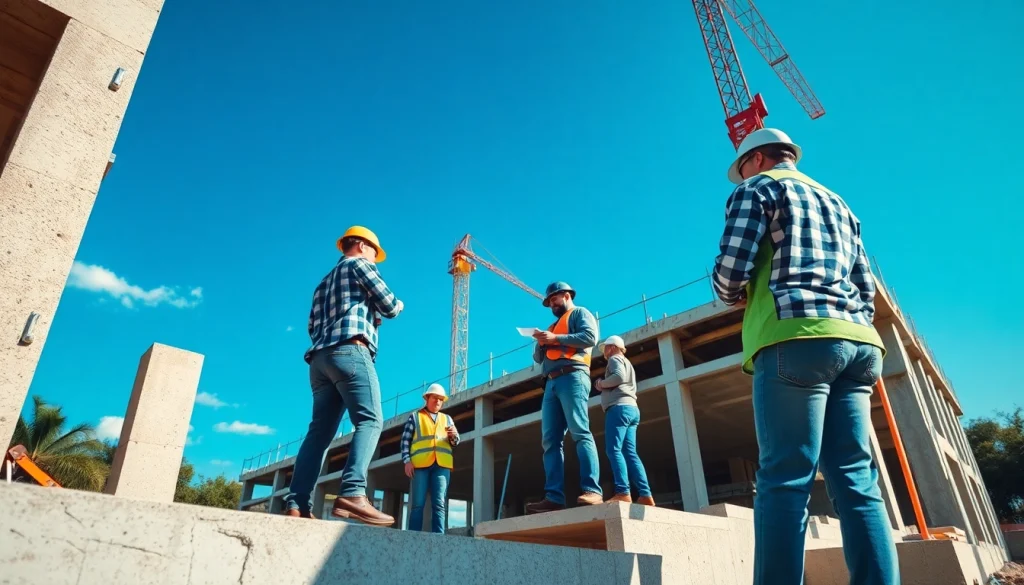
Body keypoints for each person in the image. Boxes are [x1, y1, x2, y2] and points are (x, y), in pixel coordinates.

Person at [712, 128, 897, 585]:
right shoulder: (840, 203)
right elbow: (865, 285)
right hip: (858, 341)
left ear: (755, 159)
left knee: (785, 478)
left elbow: (730, 273)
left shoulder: (757, 189)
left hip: (795, 335)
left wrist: (729, 292)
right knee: (856, 480)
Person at [284, 226, 403, 526]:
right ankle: (352, 491)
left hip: (320, 360)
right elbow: (389, 305)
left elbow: (312, 326)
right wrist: (397, 305)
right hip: (351, 351)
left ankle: (297, 503)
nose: (376, 260)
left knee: (319, 434)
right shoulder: (360, 265)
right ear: (363, 246)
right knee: (371, 419)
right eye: (376, 253)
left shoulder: (323, 282)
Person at [525, 281, 603, 514]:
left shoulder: (580, 313)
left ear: (566, 295)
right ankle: (554, 497)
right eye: (549, 302)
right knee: (550, 441)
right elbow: (539, 358)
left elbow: (590, 337)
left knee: (580, 432)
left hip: (573, 376)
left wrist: (555, 339)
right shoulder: (552, 325)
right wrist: (541, 343)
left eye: (554, 300)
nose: (551, 305)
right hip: (551, 382)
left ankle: (593, 490)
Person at [595, 335, 654, 506]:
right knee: (630, 453)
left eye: (606, 347)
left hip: (619, 408)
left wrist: (601, 384)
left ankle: (623, 491)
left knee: (613, 450)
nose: (604, 352)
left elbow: (618, 377)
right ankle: (645, 494)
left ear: (613, 347)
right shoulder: (628, 363)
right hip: (632, 408)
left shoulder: (614, 359)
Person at [401, 383, 460, 533]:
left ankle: (438, 539)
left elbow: (456, 442)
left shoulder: (447, 419)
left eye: (441, 399)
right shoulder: (415, 417)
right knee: (418, 504)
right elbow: (405, 441)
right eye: (435, 398)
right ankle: (412, 536)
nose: (438, 401)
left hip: (442, 466)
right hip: (420, 465)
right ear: (427, 398)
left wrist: (454, 436)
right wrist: (407, 461)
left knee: (439, 504)